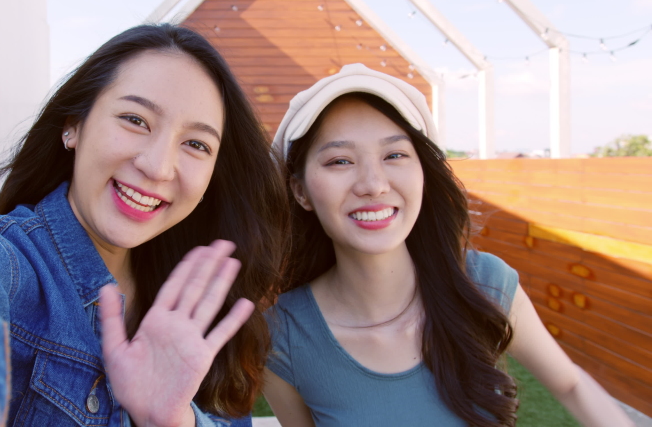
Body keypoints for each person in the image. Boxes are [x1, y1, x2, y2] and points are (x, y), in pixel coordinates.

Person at [262, 64, 634, 427]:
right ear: (301, 191)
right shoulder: (283, 335)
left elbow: (569, 384)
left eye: (394, 155)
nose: (373, 184)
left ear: (423, 171)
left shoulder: (484, 282)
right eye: (340, 160)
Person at [0, 22, 289, 427]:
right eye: (135, 119)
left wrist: (173, 420)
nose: (158, 166)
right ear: (72, 125)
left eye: (196, 144)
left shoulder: (206, 311)